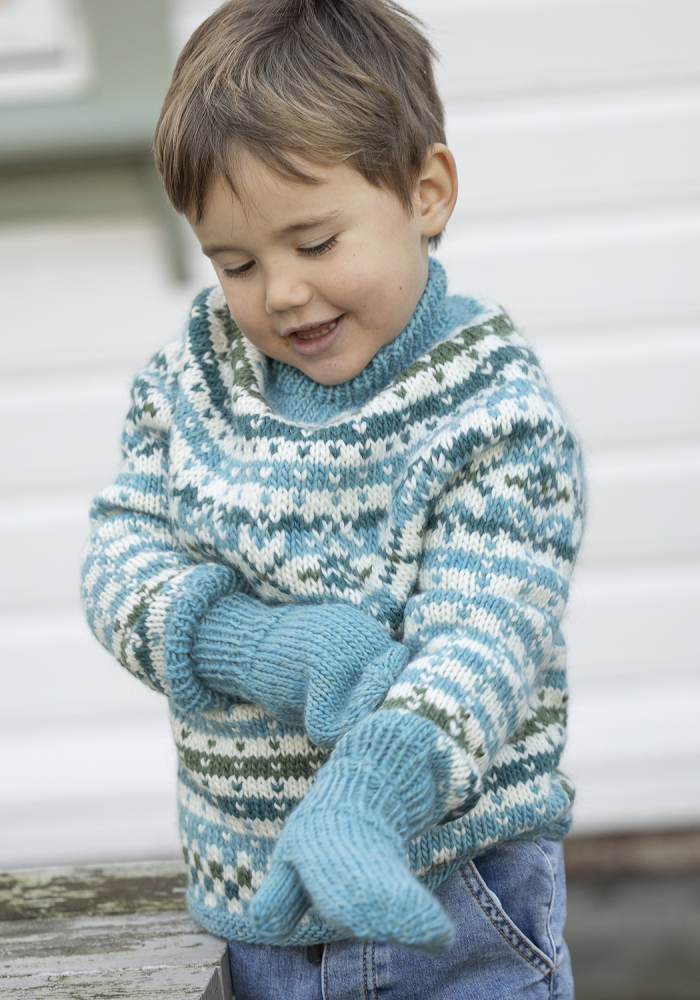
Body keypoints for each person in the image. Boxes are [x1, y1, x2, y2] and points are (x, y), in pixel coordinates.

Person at [81, 1, 584, 996]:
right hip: (261, 900)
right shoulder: (192, 386)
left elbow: (486, 637)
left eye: (314, 243)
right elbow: (119, 562)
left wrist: (369, 790)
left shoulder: (493, 413)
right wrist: (253, 643)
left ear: (425, 193)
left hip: (452, 895)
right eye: (236, 262)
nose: (280, 292)